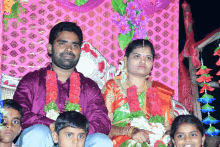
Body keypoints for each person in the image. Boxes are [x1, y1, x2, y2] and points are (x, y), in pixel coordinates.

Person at [13, 22, 112, 147]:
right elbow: (18, 114)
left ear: (79, 50)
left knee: (101, 141)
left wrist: (77, 131)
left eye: (74, 45)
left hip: (78, 141)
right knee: (38, 133)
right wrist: (51, 125)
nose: (69, 49)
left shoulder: (89, 86)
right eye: (62, 43)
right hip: (43, 136)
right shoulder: (31, 81)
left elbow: (102, 121)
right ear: (50, 48)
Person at [102, 39, 175, 146]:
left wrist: (160, 138)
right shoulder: (113, 87)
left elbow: (169, 128)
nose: (143, 61)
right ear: (126, 60)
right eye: (137, 56)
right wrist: (130, 131)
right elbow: (103, 126)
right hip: (123, 141)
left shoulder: (160, 91)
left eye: (148, 58)